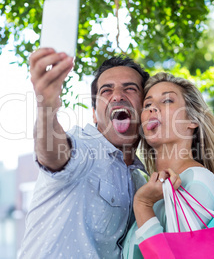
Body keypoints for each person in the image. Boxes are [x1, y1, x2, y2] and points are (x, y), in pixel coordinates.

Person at [18, 48, 150, 258]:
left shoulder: (140, 184)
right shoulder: (84, 146)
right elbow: (54, 155)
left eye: (130, 89)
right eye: (106, 90)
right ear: (94, 114)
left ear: (145, 109)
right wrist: (47, 107)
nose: (117, 96)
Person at [122, 72, 214, 258]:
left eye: (167, 101)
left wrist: (143, 205)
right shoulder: (151, 189)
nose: (153, 108)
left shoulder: (198, 181)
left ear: (192, 120)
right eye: (147, 104)